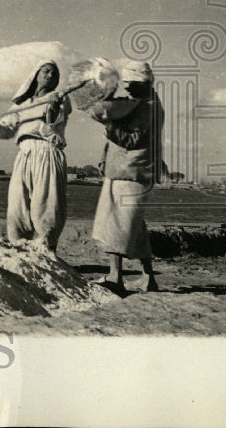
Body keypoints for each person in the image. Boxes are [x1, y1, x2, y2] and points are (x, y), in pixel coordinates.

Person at [87, 60, 163, 293]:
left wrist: (107, 122)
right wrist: (105, 156)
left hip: (130, 172)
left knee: (115, 222)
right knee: (134, 225)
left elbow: (132, 139)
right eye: (126, 82)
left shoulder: (147, 106)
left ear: (144, 83)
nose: (127, 87)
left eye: (132, 83)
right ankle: (149, 277)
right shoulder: (144, 102)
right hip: (128, 170)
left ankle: (115, 277)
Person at [0, 61, 70, 252]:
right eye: (46, 71)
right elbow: (6, 130)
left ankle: (49, 251)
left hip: (47, 152)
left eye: (55, 74)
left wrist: (53, 107)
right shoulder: (21, 104)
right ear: (36, 74)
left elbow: (55, 120)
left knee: (46, 205)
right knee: (17, 206)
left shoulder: (59, 98)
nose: (50, 76)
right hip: (24, 153)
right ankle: (20, 249)